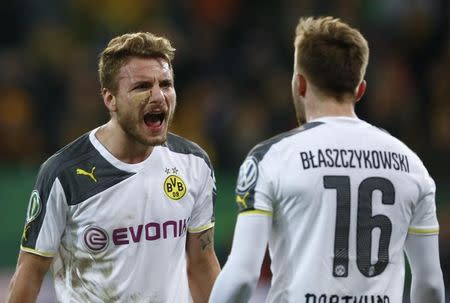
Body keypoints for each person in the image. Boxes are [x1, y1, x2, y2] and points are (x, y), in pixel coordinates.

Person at [209, 16, 445, 303]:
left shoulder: (271, 159)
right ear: (360, 90)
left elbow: (243, 276)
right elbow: (431, 285)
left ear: (299, 84)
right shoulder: (411, 165)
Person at [6, 32, 220, 303]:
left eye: (165, 84)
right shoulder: (63, 173)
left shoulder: (194, 164)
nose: (158, 96)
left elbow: (202, 264)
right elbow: (30, 272)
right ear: (110, 99)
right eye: (142, 86)